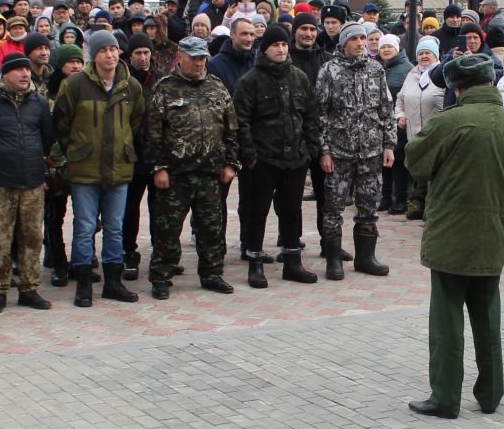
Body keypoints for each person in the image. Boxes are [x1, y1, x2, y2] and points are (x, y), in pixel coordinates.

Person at [404, 53, 504, 417]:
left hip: (450, 235)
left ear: (458, 89)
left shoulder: (450, 122)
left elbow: (416, 161)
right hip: (493, 235)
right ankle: (491, 394)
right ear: (491, 83)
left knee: (447, 319)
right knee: (487, 315)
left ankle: (445, 398)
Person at [142, 36, 239, 299]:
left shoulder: (217, 87)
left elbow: (231, 128)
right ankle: (161, 276)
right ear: (180, 58)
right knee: (167, 229)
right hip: (175, 174)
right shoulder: (164, 89)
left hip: (210, 172)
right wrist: (158, 168)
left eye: (202, 57)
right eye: (194, 57)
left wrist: (231, 163)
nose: (199, 62)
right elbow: (152, 134)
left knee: (212, 228)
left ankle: (211, 273)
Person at [52, 32, 143, 307]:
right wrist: (78, 150)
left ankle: (113, 282)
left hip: (119, 168)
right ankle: (83, 283)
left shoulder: (131, 86)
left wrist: (124, 147)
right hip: (85, 169)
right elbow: (61, 124)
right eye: (103, 50)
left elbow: (136, 124)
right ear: (93, 54)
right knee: (84, 227)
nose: (110, 55)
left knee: (115, 227)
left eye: (114, 49)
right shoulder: (75, 84)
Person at [232, 23, 320, 289]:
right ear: (265, 49)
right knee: (258, 212)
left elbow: (310, 116)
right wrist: (249, 154)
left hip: (295, 158)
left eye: (284, 44)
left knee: (292, 211)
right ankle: (255, 264)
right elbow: (241, 121)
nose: (281, 49)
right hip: (263, 159)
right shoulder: (250, 80)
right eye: (275, 45)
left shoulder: (299, 77)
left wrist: (311, 150)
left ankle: (293, 262)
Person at [0, 53, 56, 314]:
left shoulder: (38, 103)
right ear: (4, 75)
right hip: (0, 183)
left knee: (32, 237)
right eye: (18, 70)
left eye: (26, 70)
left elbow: (47, 137)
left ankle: (29, 288)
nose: (24, 74)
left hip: (32, 181)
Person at [312, 22, 395, 279]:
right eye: (355, 38)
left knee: (369, 206)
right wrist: (324, 150)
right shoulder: (329, 71)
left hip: (370, 152)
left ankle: (366, 257)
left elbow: (385, 109)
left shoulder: (375, 70)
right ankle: (333, 259)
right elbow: (320, 114)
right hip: (339, 153)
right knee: (333, 208)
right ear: (343, 42)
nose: (360, 43)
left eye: (364, 38)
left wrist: (388, 144)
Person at [394, 37, 444, 220]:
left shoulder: (442, 74)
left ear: (435, 55)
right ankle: (421, 205)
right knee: (419, 170)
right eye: (420, 53)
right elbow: (400, 100)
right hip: (414, 133)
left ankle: (434, 208)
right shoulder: (411, 74)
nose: (424, 56)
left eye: (428, 53)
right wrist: (400, 116)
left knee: (436, 171)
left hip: (437, 133)